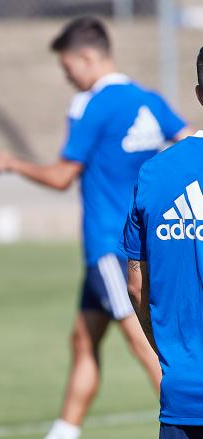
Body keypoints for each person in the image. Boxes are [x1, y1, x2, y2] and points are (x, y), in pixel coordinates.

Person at [0, 17, 192, 439]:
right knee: (83, 341)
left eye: (68, 70)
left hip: (112, 247)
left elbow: (64, 176)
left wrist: (14, 164)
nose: (70, 80)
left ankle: (186, 416)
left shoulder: (92, 104)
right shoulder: (148, 99)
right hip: (136, 245)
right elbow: (190, 139)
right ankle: (65, 431)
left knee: (143, 342)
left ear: (86, 57)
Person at [121, 47, 203, 439]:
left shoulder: (154, 174)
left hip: (181, 393)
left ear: (200, 94)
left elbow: (136, 287)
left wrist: (169, 352)